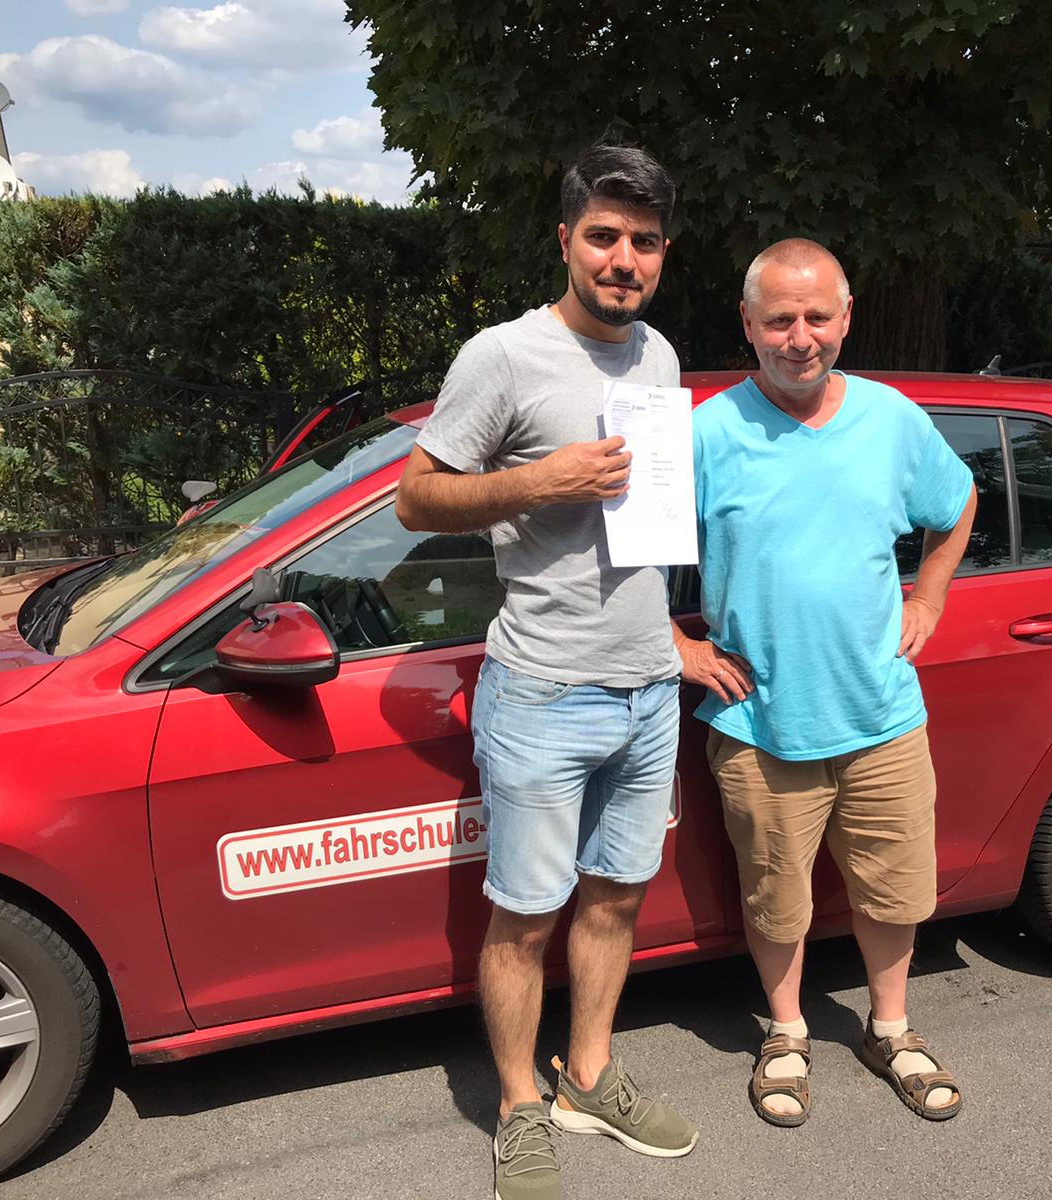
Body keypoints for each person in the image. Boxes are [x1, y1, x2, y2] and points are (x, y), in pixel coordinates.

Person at [394, 143, 698, 1200]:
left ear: (662, 254)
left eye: (643, 241)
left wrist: (674, 641)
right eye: (604, 236)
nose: (623, 259)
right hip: (543, 692)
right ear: (566, 240)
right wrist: (538, 480)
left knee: (616, 900)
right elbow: (416, 498)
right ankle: (520, 1107)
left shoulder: (659, 358)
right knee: (525, 917)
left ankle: (590, 1077)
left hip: (648, 689)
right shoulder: (503, 356)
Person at [674, 238, 978, 1128]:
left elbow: (957, 503)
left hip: (881, 714)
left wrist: (930, 594)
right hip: (760, 719)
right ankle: (787, 1032)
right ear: (747, 324)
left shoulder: (890, 419)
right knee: (776, 899)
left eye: (817, 316)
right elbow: (629, 551)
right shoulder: (705, 433)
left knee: (895, 891)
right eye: (780, 319)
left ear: (845, 318)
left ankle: (891, 1029)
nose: (799, 337)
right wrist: (675, 643)